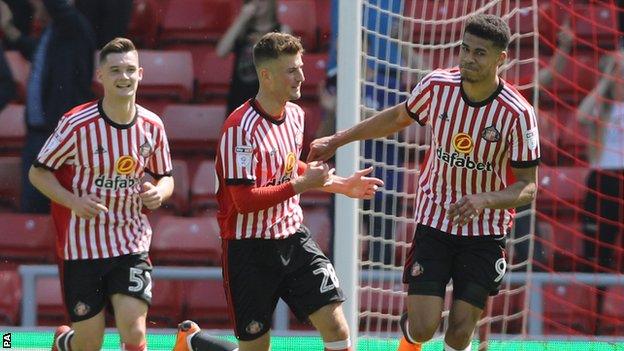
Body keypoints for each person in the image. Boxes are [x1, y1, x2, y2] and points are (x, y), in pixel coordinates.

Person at [308, 14, 540, 351]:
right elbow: (398, 117)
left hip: (485, 231)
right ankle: (410, 339)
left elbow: (528, 187)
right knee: (423, 327)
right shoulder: (438, 86)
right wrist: (338, 139)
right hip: (436, 217)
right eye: (465, 49)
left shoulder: (517, 114)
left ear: (500, 59)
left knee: (460, 333)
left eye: (479, 53)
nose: (468, 59)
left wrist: (484, 200)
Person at [178, 32, 383, 351]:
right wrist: (303, 185)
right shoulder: (239, 129)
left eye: (301, 67)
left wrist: (341, 184)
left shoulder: (297, 116)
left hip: (293, 237)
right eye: (292, 70)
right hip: (248, 250)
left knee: (335, 324)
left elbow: (288, 167)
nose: (302, 75)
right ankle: (194, 342)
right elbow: (244, 201)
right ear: (266, 75)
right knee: (256, 347)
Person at [28, 37, 174, 351]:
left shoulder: (153, 125)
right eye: (116, 70)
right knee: (89, 344)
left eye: (130, 70)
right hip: (83, 246)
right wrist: (73, 202)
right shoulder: (76, 123)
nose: (124, 77)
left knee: (133, 332)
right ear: (101, 76)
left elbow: (167, 177)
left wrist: (158, 194)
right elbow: (37, 172)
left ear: (141, 74)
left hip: (130, 240)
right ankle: (66, 341)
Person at [0, 0, 96, 214]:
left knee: (56, 210)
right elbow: (31, 50)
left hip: (59, 137)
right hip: (37, 137)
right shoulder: (51, 33)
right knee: (32, 207)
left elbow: (56, 6)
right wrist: (7, 28)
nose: (36, 6)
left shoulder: (73, 26)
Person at [576, 50, 624, 272]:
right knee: (598, 251)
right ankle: (596, 301)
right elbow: (581, 116)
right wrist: (606, 79)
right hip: (603, 180)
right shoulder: (602, 107)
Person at [216, 0, 288, 115]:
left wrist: (262, 44)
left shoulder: (282, 30)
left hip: (267, 101)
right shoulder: (242, 30)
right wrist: (241, 19)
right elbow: (221, 52)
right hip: (239, 98)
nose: (257, 3)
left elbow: (285, 65)